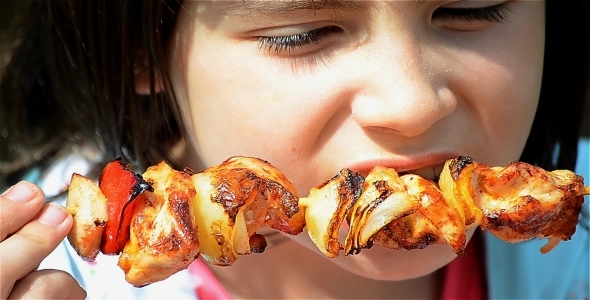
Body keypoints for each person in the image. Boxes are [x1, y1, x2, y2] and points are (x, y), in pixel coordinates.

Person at [1, 0, 589, 299]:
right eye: (302, 32)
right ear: (142, 49)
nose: (411, 104)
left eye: (470, 8)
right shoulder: (52, 282)